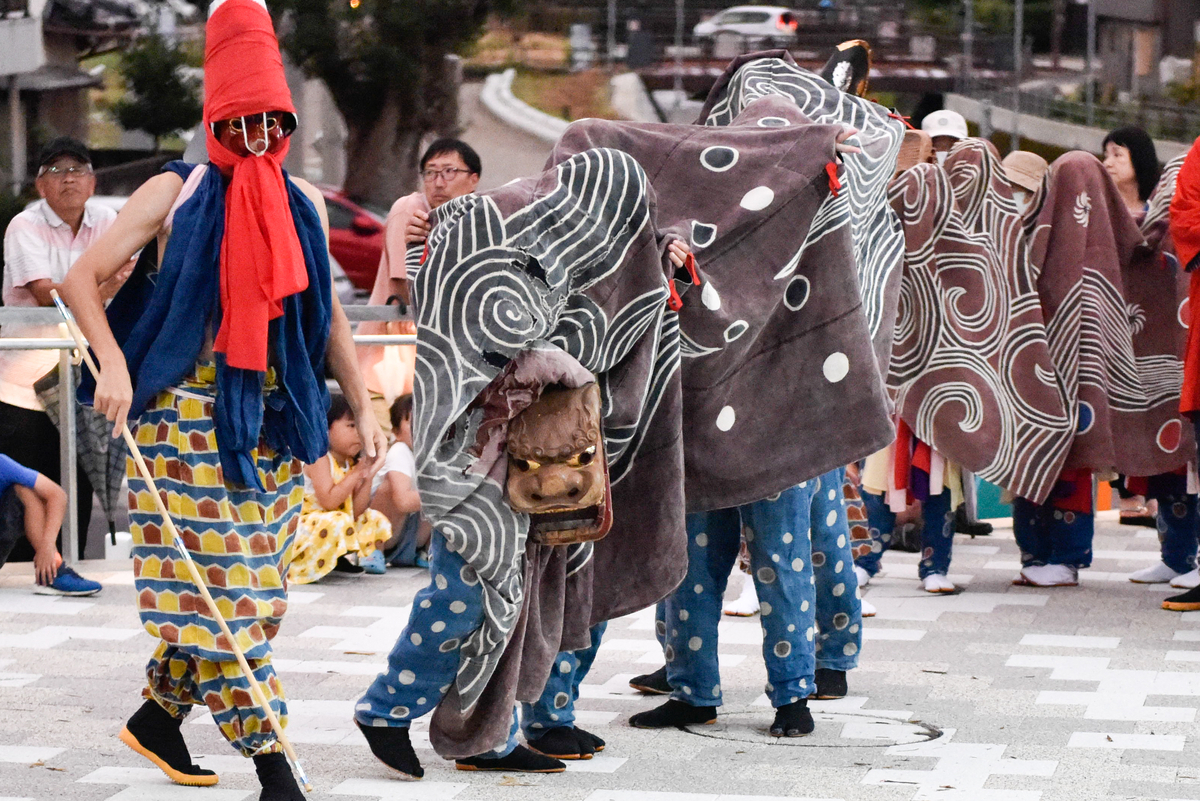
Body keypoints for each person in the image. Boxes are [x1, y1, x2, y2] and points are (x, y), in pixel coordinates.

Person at [59, 2, 385, 799]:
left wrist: (367, 405)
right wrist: (114, 365)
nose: (253, 134)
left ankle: (161, 715)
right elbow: (78, 281)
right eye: (238, 119)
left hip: (272, 420)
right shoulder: (177, 188)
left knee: (251, 595)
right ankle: (277, 767)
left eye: (268, 119)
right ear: (217, 114)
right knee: (229, 595)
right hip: (184, 421)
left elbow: (328, 319)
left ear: (283, 117)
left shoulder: (300, 200)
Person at [629, 468, 862, 738]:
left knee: (789, 561)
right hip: (707, 439)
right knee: (691, 562)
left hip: (786, 440)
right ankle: (692, 689)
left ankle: (798, 691)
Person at [0, 137, 124, 556]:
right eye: (56, 170)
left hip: (82, 376)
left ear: (92, 182)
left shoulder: (108, 220)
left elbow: (129, 278)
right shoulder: (25, 226)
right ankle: (24, 568)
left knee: (80, 475)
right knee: (28, 484)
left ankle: (67, 564)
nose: (68, 179)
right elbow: (44, 294)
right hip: (24, 385)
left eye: (77, 170)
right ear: (40, 185)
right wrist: (100, 286)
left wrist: (94, 287)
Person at [357, 139, 481, 432]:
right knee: (388, 458)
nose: (438, 182)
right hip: (391, 361)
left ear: (473, 179)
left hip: (430, 371)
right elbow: (405, 289)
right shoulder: (411, 210)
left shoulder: (471, 218)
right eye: (430, 172)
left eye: (449, 172)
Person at [289, 394, 391, 582]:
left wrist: (367, 474)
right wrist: (356, 473)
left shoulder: (349, 464)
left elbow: (357, 511)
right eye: (351, 426)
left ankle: (350, 558)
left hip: (332, 522)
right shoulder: (320, 459)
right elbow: (329, 501)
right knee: (337, 520)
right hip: (305, 527)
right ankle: (315, 562)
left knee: (372, 518)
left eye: (360, 427)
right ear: (326, 428)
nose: (358, 434)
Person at [0, 453, 102, 595]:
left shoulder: (2, 464)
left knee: (24, 491)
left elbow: (57, 495)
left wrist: (47, 546)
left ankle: (52, 573)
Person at [369, 393, 428, 567]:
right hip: (385, 535)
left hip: (410, 536)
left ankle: (426, 552)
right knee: (388, 488)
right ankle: (373, 551)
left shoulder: (431, 454)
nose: (419, 427)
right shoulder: (399, 450)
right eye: (411, 422)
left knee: (446, 490)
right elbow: (402, 502)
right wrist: (444, 493)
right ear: (396, 432)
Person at [1103, 125, 1159, 216]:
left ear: (1139, 158)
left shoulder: (1160, 206)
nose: (1107, 163)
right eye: (1106, 156)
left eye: (1117, 155)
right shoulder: (1098, 204)